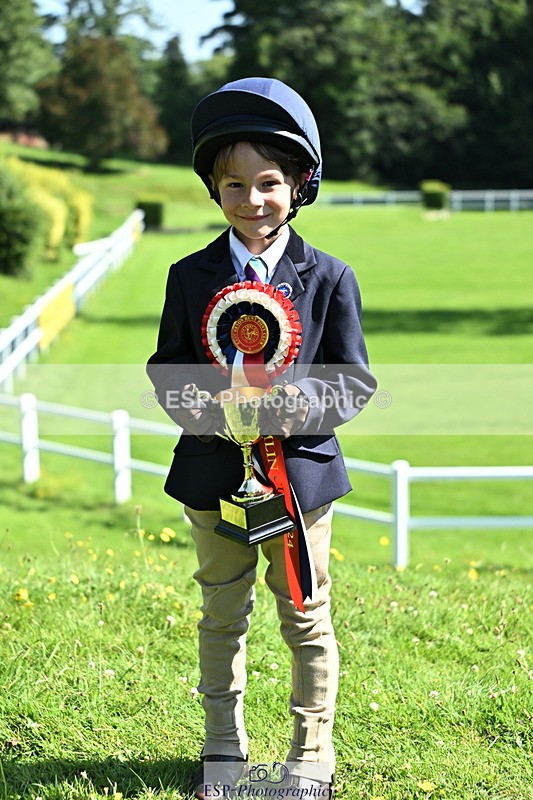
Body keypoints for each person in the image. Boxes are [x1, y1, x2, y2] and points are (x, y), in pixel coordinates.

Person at [147, 77, 377, 799]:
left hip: (299, 483)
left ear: (299, 183)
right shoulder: (189, 277)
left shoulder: (330, 278)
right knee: (221, 613)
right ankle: (223, 748)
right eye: (234, 185)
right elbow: (165, 371)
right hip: (213, 480)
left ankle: (310, 753)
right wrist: (216, 409)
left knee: (304, 615)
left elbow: (353, 383)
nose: (251, 200)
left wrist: (280, 408)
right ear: (214, 190)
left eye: (269, 182)